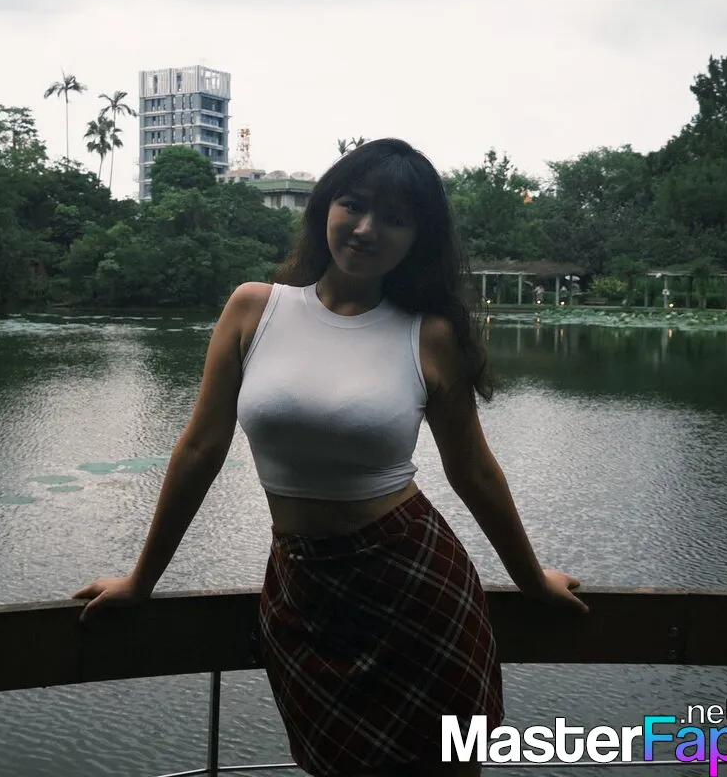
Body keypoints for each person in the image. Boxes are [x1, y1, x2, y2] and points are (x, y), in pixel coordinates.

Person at [74, 139, 588, 777]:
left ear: (418, 238)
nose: (367, 228)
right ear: (325, 208)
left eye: (394, 218)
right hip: (302, 591)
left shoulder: (429, 335)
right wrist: (141, 581)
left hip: (414, 587)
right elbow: (201, 449)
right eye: (353, 204)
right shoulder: (254, 309)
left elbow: (474, 471)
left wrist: (531, 579)